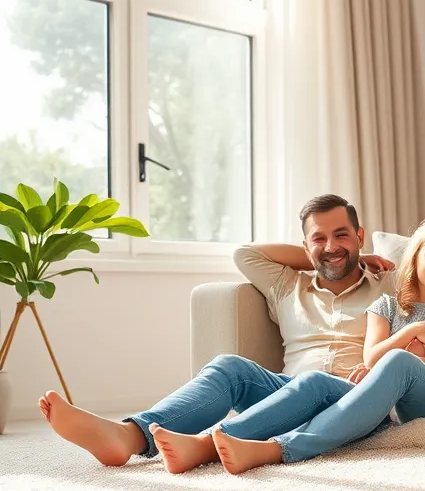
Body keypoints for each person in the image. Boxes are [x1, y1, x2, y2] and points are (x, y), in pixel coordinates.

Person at [38, 194, 394, 470]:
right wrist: (349, 257)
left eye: (342, 236)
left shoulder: (388, 287)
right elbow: (245, 254)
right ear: (305, 247)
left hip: (353, 398)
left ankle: (210, 443)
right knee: (229, 367)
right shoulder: (288, 285)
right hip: (286, 395)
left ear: (360, 236)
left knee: (313, 381)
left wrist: (359, 260)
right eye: (319, 239)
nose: (331, 246)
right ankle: (128, 436)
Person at [197, 213, 425, 474]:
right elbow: (373, 358)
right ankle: (220, 440)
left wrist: (399, 365)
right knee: (322, 379)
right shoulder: (386, 305)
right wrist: (411, 333)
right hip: (395, 409)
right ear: (415, 259)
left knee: (399, 361)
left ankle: (283, 448)